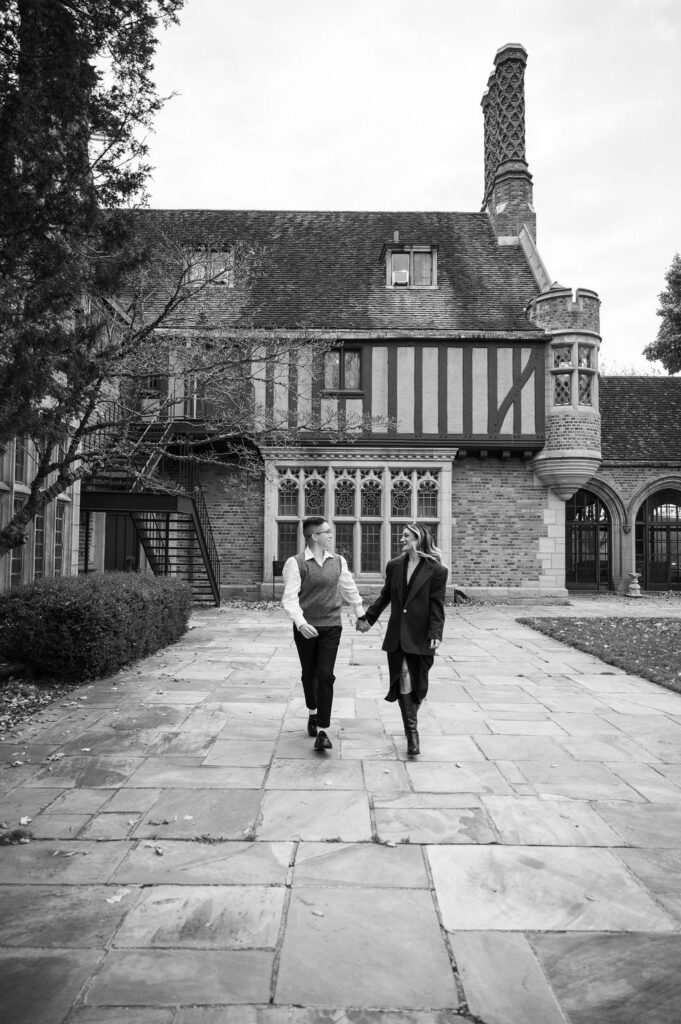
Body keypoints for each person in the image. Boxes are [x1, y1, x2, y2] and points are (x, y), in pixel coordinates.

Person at [356, 523, 447, 755]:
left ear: (418, 539)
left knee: (419, 686)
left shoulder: (437, 570)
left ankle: (411, 720)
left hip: (422, 636)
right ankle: (412, 736)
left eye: (406, 536)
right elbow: (385, 596)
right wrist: (367, 619)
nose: (401, 539)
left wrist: (436, 632)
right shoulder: (394, 566)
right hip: (398, 635)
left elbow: (437, 605)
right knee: (404, 678)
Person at [281, 516, 366, 751]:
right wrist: (300, 623)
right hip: (306, 628)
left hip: (331, 626)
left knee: (326, 675)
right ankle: (312, 711)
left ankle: (322, 730)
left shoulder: (338, 561)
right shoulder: (296, 563)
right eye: (326, 531)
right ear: (314, 536)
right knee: (309, 675)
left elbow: (349, 588)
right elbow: (289, 598)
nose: (331, 535)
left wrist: (361, 615)